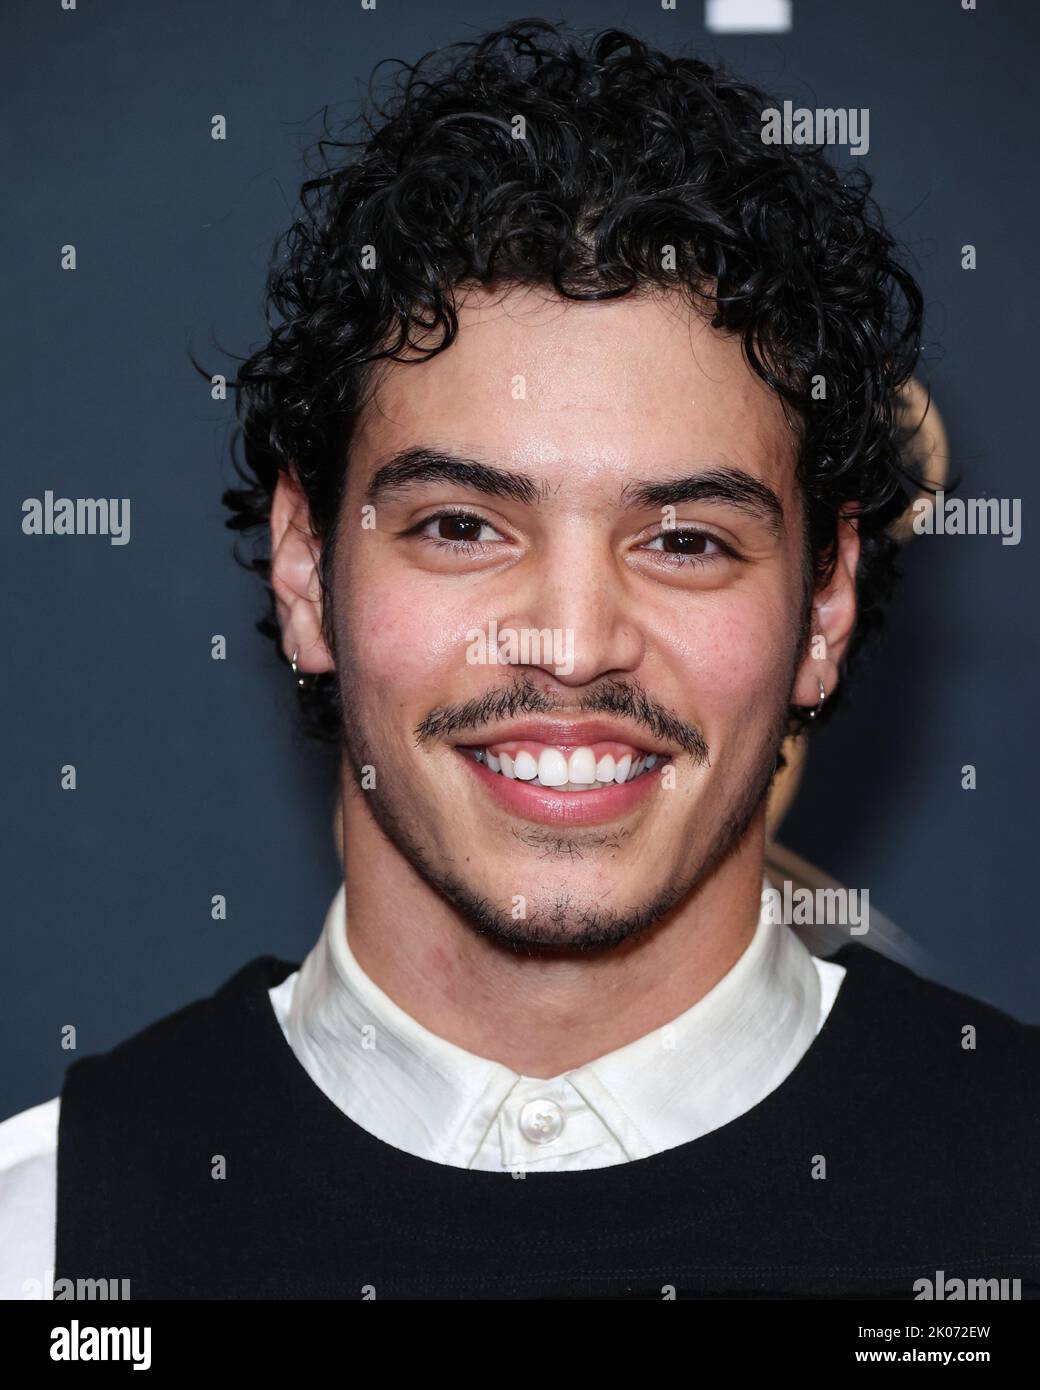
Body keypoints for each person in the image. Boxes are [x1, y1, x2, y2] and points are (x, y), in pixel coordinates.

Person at [2, 18, 1036, 1301]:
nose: (571, 645)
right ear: (305, 568)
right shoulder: (38, 1247)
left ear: (823, 603)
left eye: (683, 540)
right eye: (460, 527)